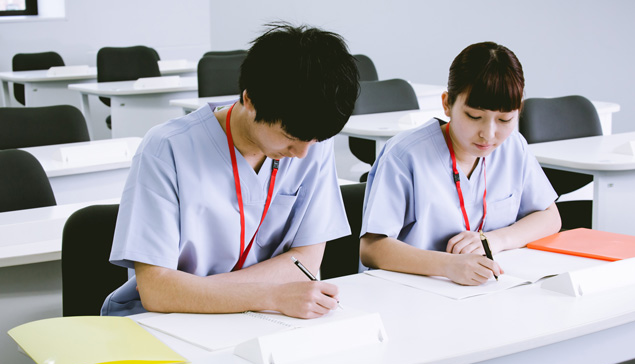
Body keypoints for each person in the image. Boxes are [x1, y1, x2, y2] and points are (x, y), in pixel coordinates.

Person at [101, 23, 360, 319]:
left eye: (314, 140)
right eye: (290, 138)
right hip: (170, 321)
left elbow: (305, 263)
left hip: (263, 317)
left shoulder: (311, 141)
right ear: (249, 100)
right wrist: (273, 293)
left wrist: (196, 291)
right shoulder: (167, 149)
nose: (302, 153)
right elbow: (157, 290)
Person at [359, 42, 561, 286]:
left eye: (505, 119)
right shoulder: (405, 155)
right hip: (411, 291)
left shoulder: (513, 147)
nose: (488, 134)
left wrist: (495, 240)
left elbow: (550, 217)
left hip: (485, 289)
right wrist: (448, 265)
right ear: (447, 104)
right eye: (474, 117)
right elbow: (371, 248)